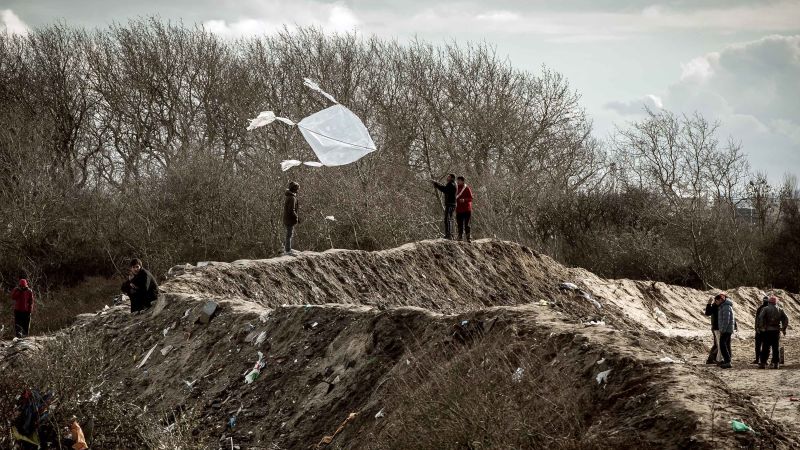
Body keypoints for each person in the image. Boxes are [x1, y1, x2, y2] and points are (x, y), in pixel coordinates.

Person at [757, 296, 789, 369]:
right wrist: (784, 328)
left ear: (769, 302)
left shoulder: (765, 309)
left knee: (765, 347)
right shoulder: (780, 309)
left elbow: (760, 317)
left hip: (767, 330)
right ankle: (776, 364)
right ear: (776, 302)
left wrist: (761, 327)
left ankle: (763, 363)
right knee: (776, 347)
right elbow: (786, 319)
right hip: (776, 331)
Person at [432, 174, 457, 239]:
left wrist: (437, 185)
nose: (447, 178)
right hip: (453, 204)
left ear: (452, 178)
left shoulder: (451, 184)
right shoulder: (454, 184)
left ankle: (449, 235)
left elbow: (445, 189)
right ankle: (451, 235)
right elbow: (445, 188)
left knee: (447, 219)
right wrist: (437, 184)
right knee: (450, 219)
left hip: (450, 204)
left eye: (448, 177)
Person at [717, 293, 735, 368]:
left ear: (721, 299)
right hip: (727, 329)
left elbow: (726, 320)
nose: (716, 302)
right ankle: (727, 360)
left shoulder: (726, 307)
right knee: (725, 345)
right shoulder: (724, 306)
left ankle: (728, 361)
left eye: (717, 300)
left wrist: (722, 330)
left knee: (722, 344)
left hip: (726, 329)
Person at [704, 294, 723, 364]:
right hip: (716, 327)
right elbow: (707, 313)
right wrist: (709, 304)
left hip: (717, 327)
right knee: (717, 344)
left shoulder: (719, 306)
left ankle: (712, 359)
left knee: (717, 344)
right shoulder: (715, 306)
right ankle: (711, 359)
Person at [283, 181, 300, 255]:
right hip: (289, 219)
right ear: (294, 189)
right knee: (289, 234)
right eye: (297, 188)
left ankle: (288, 248)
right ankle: (288, 250)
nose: (298, 190)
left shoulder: (289, 196)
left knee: (289, 234)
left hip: (287, 218)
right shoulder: (292, 197)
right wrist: (297, 217)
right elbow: (292, 210)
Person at [753, 295, 770, 364]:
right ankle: (765, 360)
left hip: (759, 330)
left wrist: (756, 328)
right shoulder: (769, 308)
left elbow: (757, 319)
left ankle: (757, 359)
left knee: (758, 346)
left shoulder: (760, 308)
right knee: (766, 346)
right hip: (767, 330)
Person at [455, 176, 473, 242]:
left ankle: (468, 238)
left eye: (459, 180)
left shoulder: (466, 188)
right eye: (457, 180)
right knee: (459, 224)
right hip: (458, 209)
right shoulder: (456, 189)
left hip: (467, 209)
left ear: (462, 181)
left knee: (467, 224)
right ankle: (460, 237)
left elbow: (471, 198)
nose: (458, 182)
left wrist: (464, 200)